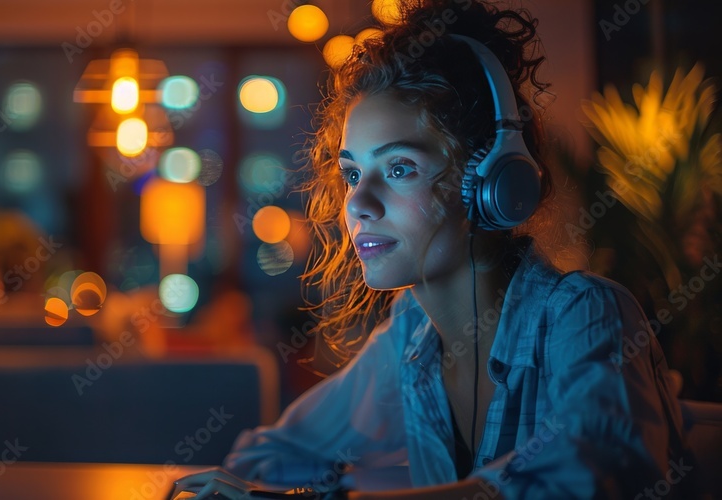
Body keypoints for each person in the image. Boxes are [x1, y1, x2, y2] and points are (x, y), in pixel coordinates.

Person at [170, 0, 693, 498]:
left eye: (399, 168)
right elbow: (268, 455)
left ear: (494, 182)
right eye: (353, 173)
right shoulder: (411, 335)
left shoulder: (587, 313)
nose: (359, 204)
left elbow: (586, 484)